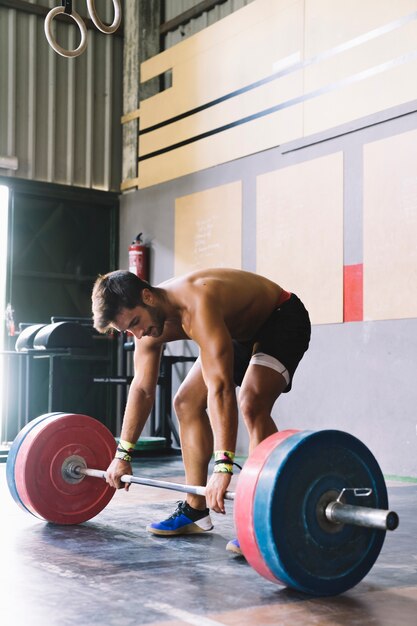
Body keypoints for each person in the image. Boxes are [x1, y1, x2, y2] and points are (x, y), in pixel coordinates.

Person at [91, 268, 311, 554]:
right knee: (185, 402)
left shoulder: (196, 302)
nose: (138, 334)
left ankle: (267, 514)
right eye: (127, 331)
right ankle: (195, 509)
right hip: (236, 331)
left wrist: (223, 468)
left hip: (280, 318)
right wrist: (122, 455)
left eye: (135, 322)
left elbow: (220, 389)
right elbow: (142, 389)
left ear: (148, 296)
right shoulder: (145, 329)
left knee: (251, 401)